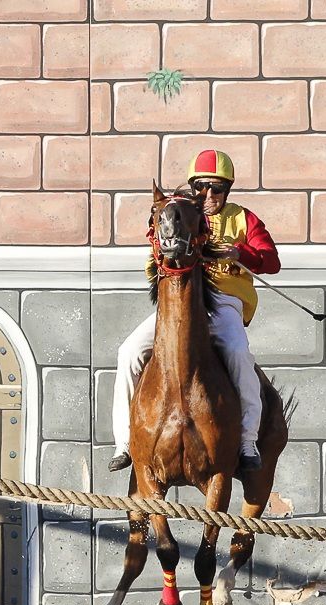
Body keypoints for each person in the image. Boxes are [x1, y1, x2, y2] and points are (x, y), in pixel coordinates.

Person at [108, 149, 280, 474]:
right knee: (128, 351)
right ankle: (125, 443)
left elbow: (271, 261)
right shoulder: (179, 211)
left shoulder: (244, 219)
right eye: (202, 187)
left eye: (218, 188)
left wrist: (241, 251)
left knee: (239, 353)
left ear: (228, 190)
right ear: (193, 186)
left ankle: (246, 440)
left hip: (224, 304)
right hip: (182, 305)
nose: (210, 195)